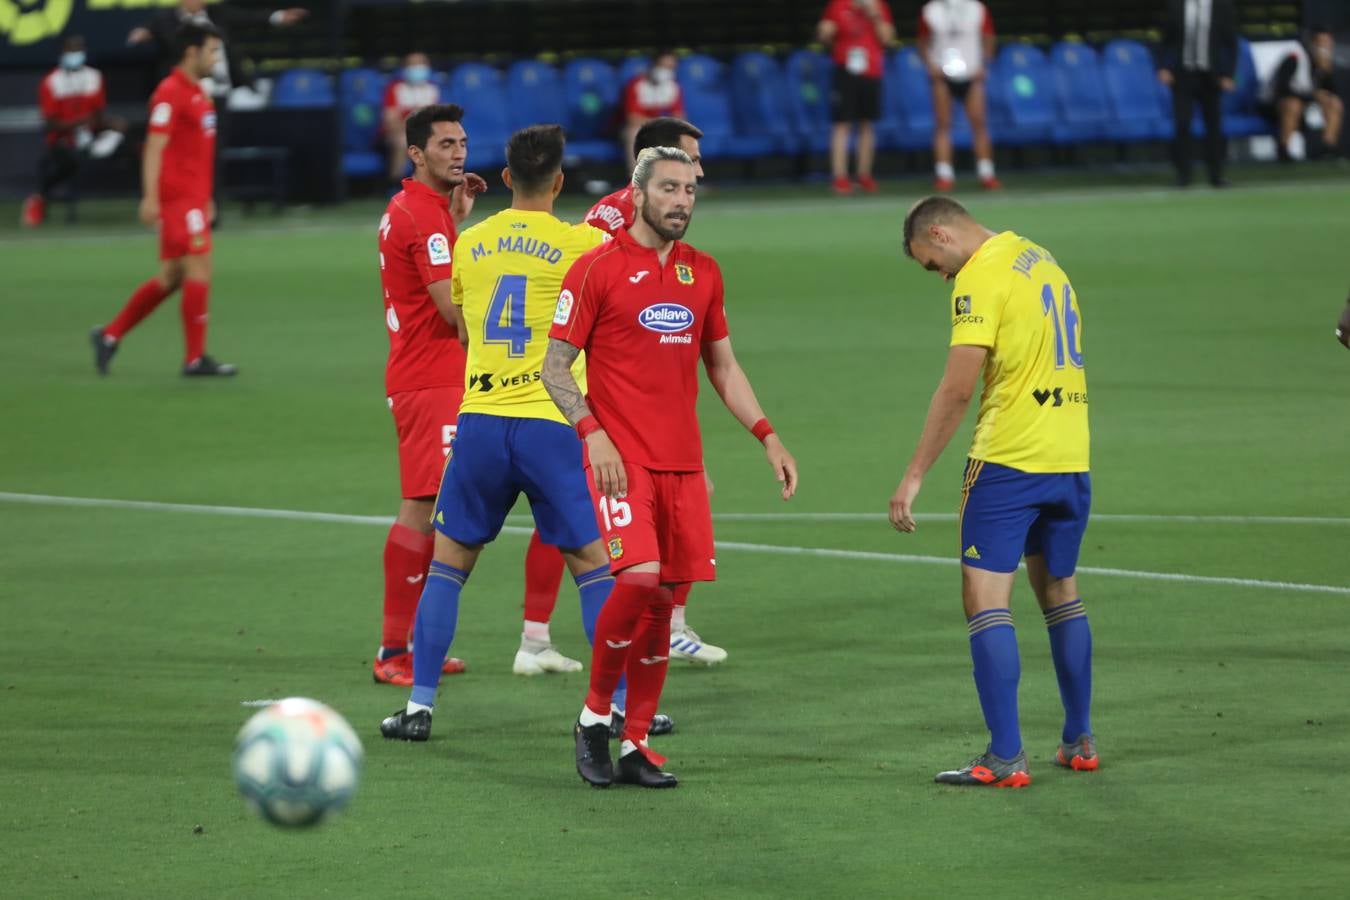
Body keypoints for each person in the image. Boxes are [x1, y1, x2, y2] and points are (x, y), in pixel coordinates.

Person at [545, 147, 799, 788]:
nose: (682, 201)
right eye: (668, 189)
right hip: (620, 458)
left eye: (689, 189)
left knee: (661, 601)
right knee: (636, 581)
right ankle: (593, 718)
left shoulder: (703, 273)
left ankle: (635, 745)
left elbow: (723, 366)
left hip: (682, 463)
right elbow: (553, 367)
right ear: (637, 195)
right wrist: (592, 433)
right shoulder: (594, 269)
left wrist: (767, 435)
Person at [378, 125, 622, 742]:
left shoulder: (470, 242)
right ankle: (616, 707)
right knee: (594, 567)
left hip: (479, 423)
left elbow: (462, 328)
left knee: (448, 567)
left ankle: (419, 708)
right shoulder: (585, 244)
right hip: (550, 425)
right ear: (560, 181)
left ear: (507, 177)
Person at [890, 196, 1095, 788]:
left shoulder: (979, 276)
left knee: (986, 602)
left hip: (1009, 459)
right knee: (1060, 593)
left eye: (934, 264)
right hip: (1070, 455)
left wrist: (914, 473)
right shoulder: (1040, 257)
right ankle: (1079, 740)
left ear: (939, 233)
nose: (943, 276)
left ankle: (1005, 756)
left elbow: (958, 388)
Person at [575, 116, 729, 668]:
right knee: (569, 516)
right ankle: (569, 663)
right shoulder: (608, 224)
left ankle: (664, 633)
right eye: (685, 162)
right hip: (601, 399)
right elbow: (597, 303)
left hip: (649, 402)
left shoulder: (677, 240)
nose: (696, 175)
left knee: (573, 518)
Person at [371, 103, 487, 685]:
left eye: (462, 142)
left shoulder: (416, 210)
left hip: (429, 374)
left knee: (438, 507)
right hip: (432, 377)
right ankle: (395, 650)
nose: (459, 152)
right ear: (416, 153)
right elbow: (455, 313)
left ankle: (418, 643)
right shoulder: (423, 216)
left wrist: (458, 220)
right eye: (445, 144)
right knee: (424, 506)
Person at [90, 24, 236, 378]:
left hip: (194, 200)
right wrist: (150, 198)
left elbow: (199, 153)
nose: (216, 58)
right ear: (192, 52)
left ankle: (109, 336)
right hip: (178, 200)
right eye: (212, 50)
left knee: (172, 277)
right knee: (199, 268)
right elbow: (155, 147)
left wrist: (207, 198)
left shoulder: (199, 93)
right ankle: (195, 359)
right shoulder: (170, 93)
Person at [22, 35, 127, 228]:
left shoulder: (94, 77)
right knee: (66, 160)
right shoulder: (52, 81)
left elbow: (99, 115)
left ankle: (151, 202)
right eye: (71, 50)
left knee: (126, 138)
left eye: (79, 50)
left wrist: (112, 123)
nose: (75, 54)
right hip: (63, 140)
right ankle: (38, 199)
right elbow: (50, 124)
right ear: (62, 53)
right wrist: (77, 123)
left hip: (92, 135)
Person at [128, 0, 308, 92]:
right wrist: (141, 33)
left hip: (222, 89)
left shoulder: (218, 13)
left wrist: (278, 16)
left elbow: (248, 17)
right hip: (188, 88)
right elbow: (148, 29)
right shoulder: (165, 20)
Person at [917, 0, 999, 191]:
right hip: (942, 75)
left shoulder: (977, 9)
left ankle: (986, 173)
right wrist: (931, 65)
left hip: (971, 73)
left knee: (979, 122)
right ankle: (944, 174)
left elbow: (988, 37)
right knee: (943, 123)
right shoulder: (930, 10)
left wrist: (984, 64)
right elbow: (922, 42)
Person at [817, 0, 895, 195]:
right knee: (841, 123)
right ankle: (840, 177)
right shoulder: (837, 5)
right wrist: (825, 32)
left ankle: (864, 175)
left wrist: (874, 15)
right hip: (845, 70)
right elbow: (824, 36)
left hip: (871, 71)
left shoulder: (878, 5)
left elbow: (887, 38)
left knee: (867, 123)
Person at [1158, 0, 1239, 188]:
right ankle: (1183, 176)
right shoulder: (1176, 6)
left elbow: (1231, 44)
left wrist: (1228, 75)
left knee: (1214, 126)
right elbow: (1165, 41)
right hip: (1183, 76)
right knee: (1183, 124)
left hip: (1211, 77)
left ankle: (1216, 176)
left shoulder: (1222, 7)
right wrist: (1163, 67)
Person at [1267, 27, 1344, 161]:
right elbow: (1281, 89)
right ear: (1312, 43)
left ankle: (1328, 149)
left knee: (1334, 103)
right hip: (1271, 105)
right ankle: (1283, 150)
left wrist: (1325, 72)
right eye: (1322, 43)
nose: (1325, 48)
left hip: (1306, 105)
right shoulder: (1294, 55)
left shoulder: (1323, 63)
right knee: (1293, 104)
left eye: (1328, 43)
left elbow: (1331, 91)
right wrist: (1312, 96)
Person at [382, 53, 441, 187]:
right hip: (400, 133)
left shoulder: (433, 89)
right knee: (402, 141)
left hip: (427, 132)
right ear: (405, 68)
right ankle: (395, 184)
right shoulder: (395, 88)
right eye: (412, 65)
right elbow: (391, 121)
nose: (417, 68)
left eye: (420, 64)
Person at [620, 52, 685, 171]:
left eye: (671, 68)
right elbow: (632, 118)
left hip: (658, 125)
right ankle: (636, 180)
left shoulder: (673, 86)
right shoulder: (637, 84)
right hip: (639, 127)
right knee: (633, 132)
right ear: (653, 65)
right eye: (663, 66)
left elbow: (679, 116)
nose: (666, 71)